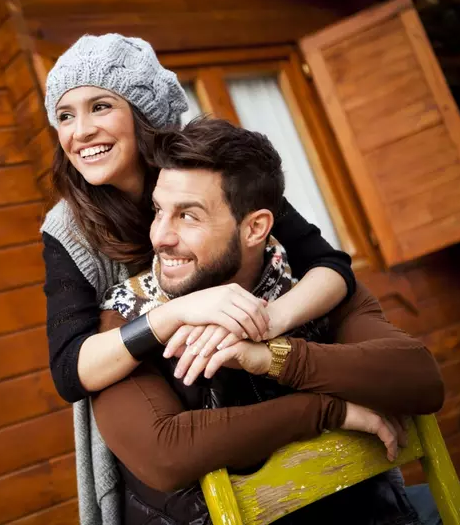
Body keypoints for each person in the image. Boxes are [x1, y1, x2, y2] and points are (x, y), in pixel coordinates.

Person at [92, 118, 460, 524]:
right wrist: (327, 410)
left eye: (188, 216)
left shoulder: (309, 288)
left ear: (255, 228)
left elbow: (420, 378)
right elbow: (167, 453)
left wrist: (271, 357)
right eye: (158, 211)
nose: (160, 236)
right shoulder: (129, 317)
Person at [41, 33, 355, 524]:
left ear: (142, 114)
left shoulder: (212, 172)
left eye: (100, 106)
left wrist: (264, 320)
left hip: (270, 399)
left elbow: (331, 267)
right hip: (176, 450)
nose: (80, 130)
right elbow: (70, 371)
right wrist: (175, 312)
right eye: (64, 115)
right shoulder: (68, 229)